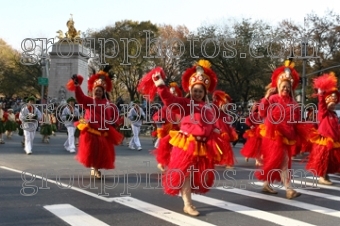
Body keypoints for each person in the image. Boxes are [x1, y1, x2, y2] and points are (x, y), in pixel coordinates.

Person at [140, 60, 228, 216]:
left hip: (203, 146)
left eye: (200, 91)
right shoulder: (185, 103)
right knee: (185, 173)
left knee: (197, 175)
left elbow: (210, 125)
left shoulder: (208, 108)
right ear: (190, 90)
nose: (197, 94)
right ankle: (188, 204)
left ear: (205, 93)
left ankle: (187, 199)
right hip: (186, 144)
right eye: (195, 90)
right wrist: (160, 85)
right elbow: (169, 100)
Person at [255, 60, 311, 199]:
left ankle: (266, 183)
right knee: (284, 162)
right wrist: (266, 97)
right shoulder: (273, 98)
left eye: (288, 87)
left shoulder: (294, 103)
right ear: (278, 87)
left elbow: (296, 121)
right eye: (283, 86)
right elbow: (262, 113)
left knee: (277, 161)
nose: (285, 89)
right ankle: (289, 189)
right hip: (273, 136)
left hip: (287, 136)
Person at [66, 70, 123, 178]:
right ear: (93, 91)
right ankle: (95, 169)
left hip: (104, 131)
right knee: (93, 151)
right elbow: (80, 98)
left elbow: (114, 115)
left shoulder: (108, 104)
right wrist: (77, 86)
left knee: (101, 153)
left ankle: (95, 168)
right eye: (96, 91)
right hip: (91, 131)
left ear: (103, 92)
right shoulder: (90, 101)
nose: (98, 93)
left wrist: (115, 123)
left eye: (100, 91)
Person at [306, 72, 340, 185]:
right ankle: (322, 176)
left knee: (330, 159)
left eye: (335, 102)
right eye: (331, 101)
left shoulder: (334, 114)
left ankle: (326, 175)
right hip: (324, 140)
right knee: (323, 159)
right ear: (326, 101)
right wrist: (321, 94)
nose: (333, 103)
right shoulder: (323, 113)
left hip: (333, 139)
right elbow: (321, 104)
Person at [212, 90, 238, 169]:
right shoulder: (216, 112)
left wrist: (232, 132)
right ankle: (214, 160)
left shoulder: (227, 115)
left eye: (227, 105)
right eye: (223, 104)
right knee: (215, 148)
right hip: (216, 132)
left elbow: (229, 125)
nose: (225, 106)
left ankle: (229, 162)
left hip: (224, 133)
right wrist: (215, 99)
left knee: (226, 147)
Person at [240, 101, 264, 166]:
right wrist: (251, 125)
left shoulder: (262, 116)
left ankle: (256, 159)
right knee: (254, 146)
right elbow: (247, 120)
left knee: (259, 147)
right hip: (255, 132)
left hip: (261, 133)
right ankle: (255, 159)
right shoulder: (255, 114)